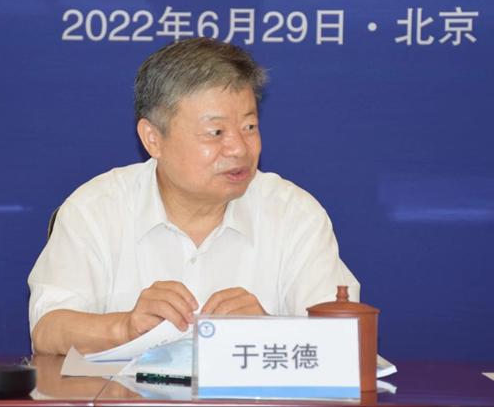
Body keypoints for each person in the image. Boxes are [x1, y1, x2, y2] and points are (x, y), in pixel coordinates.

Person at [28, 38, 359, 355]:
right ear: (152, 139)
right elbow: (47, 330)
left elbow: (344, 340)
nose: (239, 148)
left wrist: (267, 330)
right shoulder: (95, 210)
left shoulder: (294, 214)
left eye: (249, 127)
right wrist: (125, 327)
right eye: (216, 132)